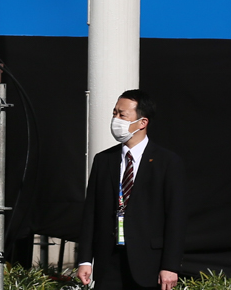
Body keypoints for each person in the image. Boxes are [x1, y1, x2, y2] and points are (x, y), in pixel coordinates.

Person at [78, 91, 185, 290]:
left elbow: (175, 218)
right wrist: (85, 259)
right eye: (114, 113)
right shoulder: (103, 160)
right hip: (109, 262)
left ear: (142, 122)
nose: (115, 119)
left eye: (122, 115)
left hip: (148, 263)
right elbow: (90, 212)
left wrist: (170, 266)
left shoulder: (167, 162)